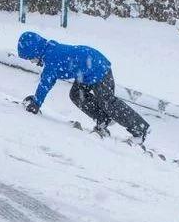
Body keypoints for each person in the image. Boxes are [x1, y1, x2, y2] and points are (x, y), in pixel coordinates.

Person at [17, 31, 149, 143]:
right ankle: (103, 120)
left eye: (31, 58)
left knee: (107, 101)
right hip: (87, 70)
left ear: (36, 52)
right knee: (76, 94)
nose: (32, 62)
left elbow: (45, 83)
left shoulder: (52, 60)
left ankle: (140, 129)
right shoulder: (49, 49)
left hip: (98, 68)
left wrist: (36, 103)